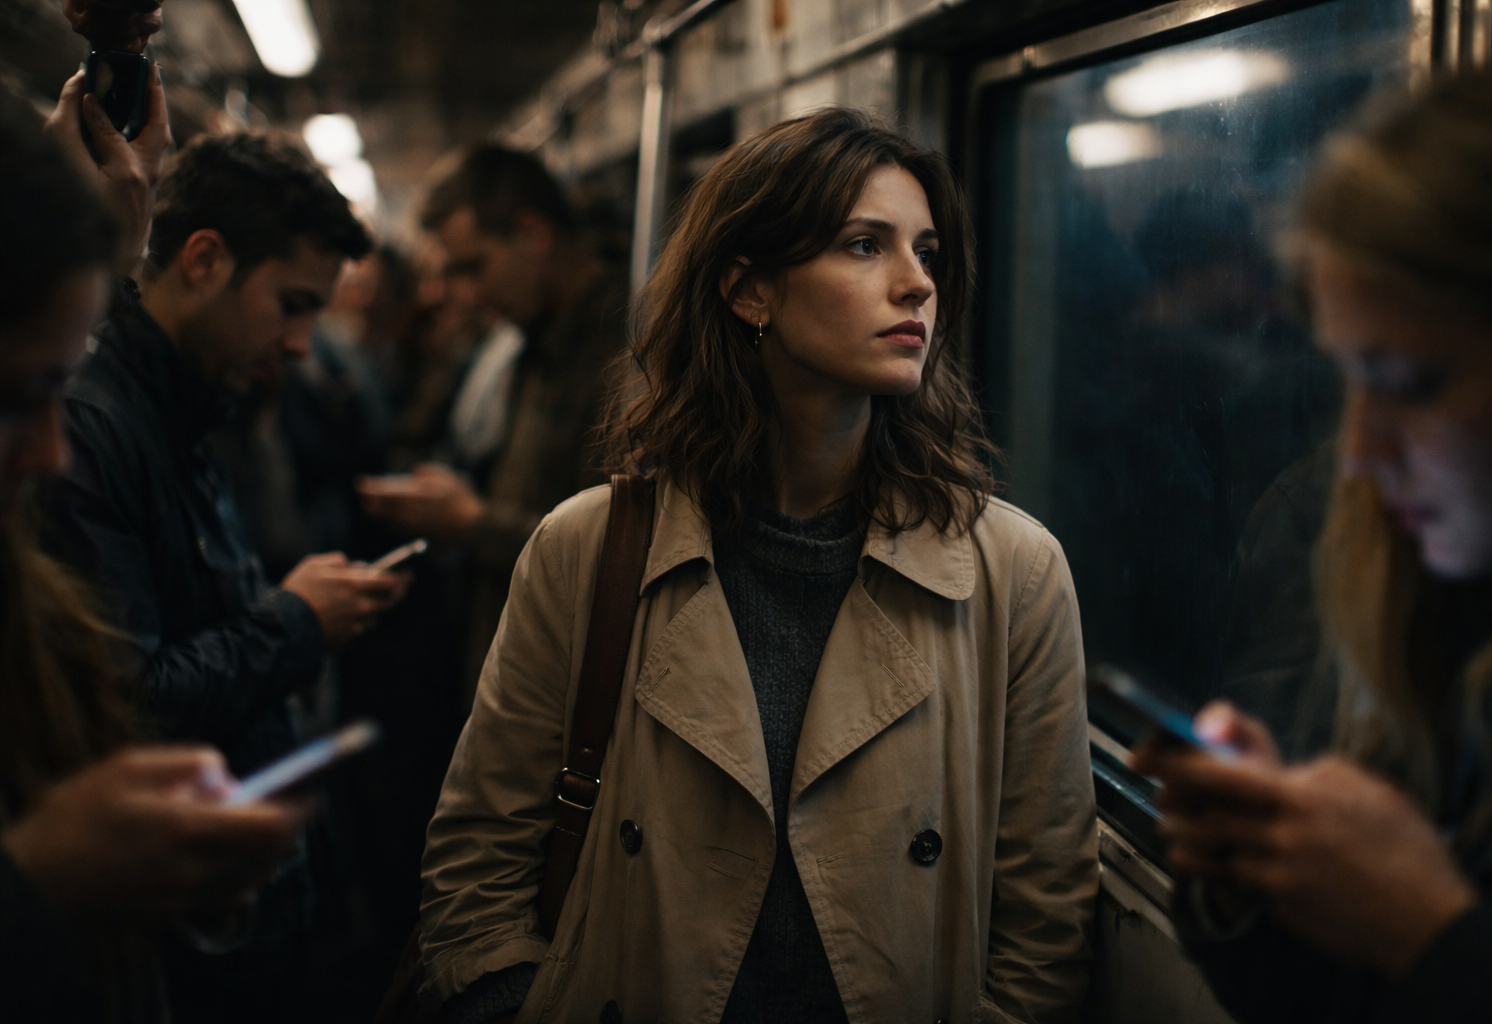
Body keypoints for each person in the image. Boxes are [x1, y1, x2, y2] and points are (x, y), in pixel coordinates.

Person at [417, 108, 1099, 1024]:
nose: (915, 285)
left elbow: (1045, 909)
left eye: (927, 252)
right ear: (750, 292)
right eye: (865, 246)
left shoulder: (1014, 571)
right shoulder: (588, 548)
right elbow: (478, 858)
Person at [1134, 65, 1492, 1024]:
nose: (1357, 452)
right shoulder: (1432, 614)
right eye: (1350, 379)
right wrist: (1255, 874)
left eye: (1417, 381)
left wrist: (1427, 934)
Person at [39, 127, 409, 1021]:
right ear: (203, 261)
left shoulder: (189, 407)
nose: (299, 344)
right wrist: (294, 623)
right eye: (291, 304)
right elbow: (126, 699)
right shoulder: (98, 431)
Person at [0, 86, 308, 1022]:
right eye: (17, 397)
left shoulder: (23, 586)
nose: (53, 450)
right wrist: (35, 888)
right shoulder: (118, 431)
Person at [357, 145, 631, 694]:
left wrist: (472, 522)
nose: (468, 294)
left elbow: (623, 554)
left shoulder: (628, 350)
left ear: (533, 233)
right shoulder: (532, 339)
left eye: (474, 266)